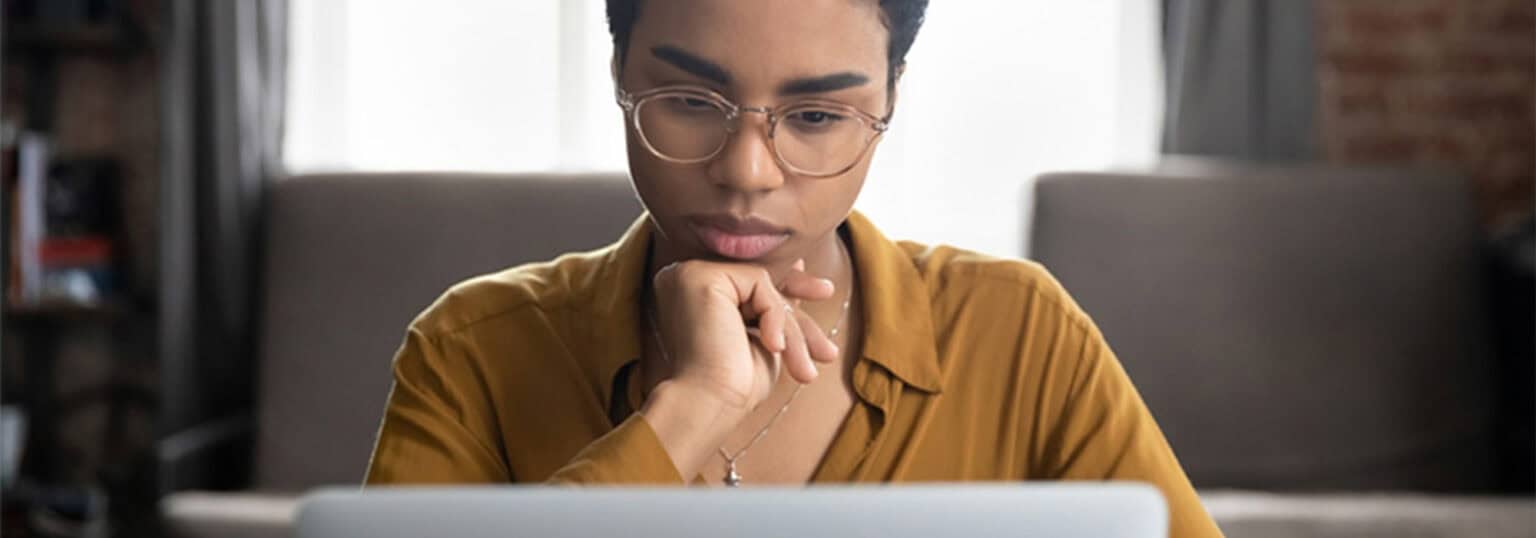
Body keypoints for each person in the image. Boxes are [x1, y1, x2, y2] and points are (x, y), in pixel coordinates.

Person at [365, 1, 1223, 536]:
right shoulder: (470, 349)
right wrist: (691, 410)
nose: (748, 170)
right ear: (620, 71)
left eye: (815, 114)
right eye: (692, 103)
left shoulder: (1021, 333)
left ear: (889, 100)